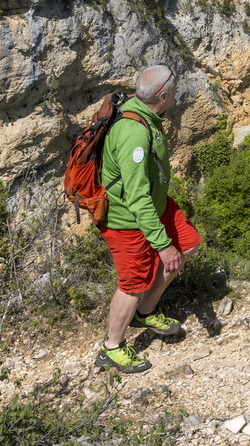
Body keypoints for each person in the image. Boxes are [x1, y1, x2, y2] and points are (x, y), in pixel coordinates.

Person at [95, 64, 202, 373]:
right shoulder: (134, 134)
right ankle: (112, 347)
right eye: (174, 90)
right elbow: (136, 195)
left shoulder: (145, 113)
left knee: (189, 243)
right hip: (128, 220)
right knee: (132, 283)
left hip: (157, 206)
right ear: (163, 95)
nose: (176, 95)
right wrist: (162, 245)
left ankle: (147, 309)